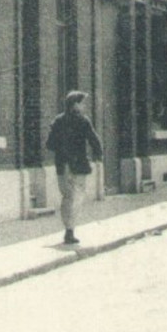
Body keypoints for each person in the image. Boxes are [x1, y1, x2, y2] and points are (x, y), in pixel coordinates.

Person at [45, 90, 104, 246]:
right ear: (75, 104)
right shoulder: (83, 121)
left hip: (62, 166)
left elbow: (49, 144)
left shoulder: (58, 121)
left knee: (67, 197)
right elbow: (94, 140)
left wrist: (62, 148)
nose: (83, 106)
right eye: (82, 102)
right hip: (78, 166)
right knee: (77, 197)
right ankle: (70, 231)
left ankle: (68, 230)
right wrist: (98, 155)